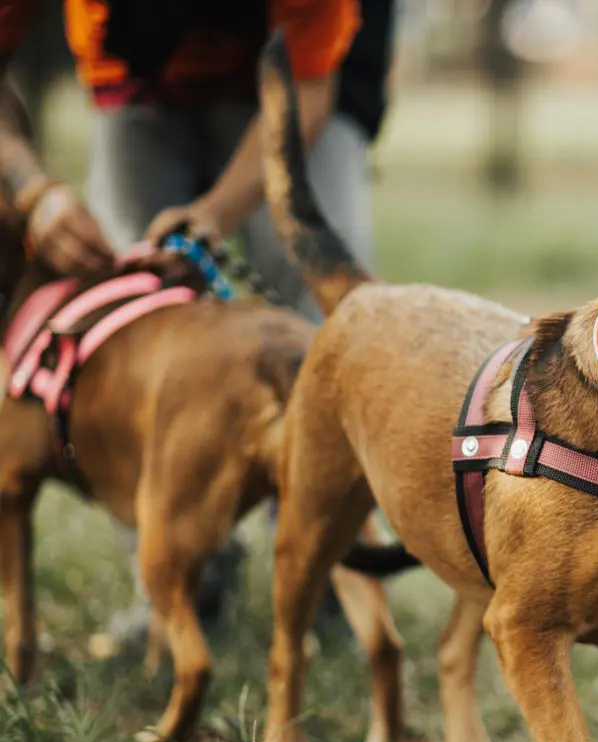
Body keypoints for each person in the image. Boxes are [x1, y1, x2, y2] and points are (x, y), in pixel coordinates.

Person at [0, 0, 397, 640]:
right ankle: (177, 577)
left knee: (311, 288)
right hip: (141, 80)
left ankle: (329, 573)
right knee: (128, 326)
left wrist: (214, 211)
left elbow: (306, 90)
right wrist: (32, 191)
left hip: (306, 65)